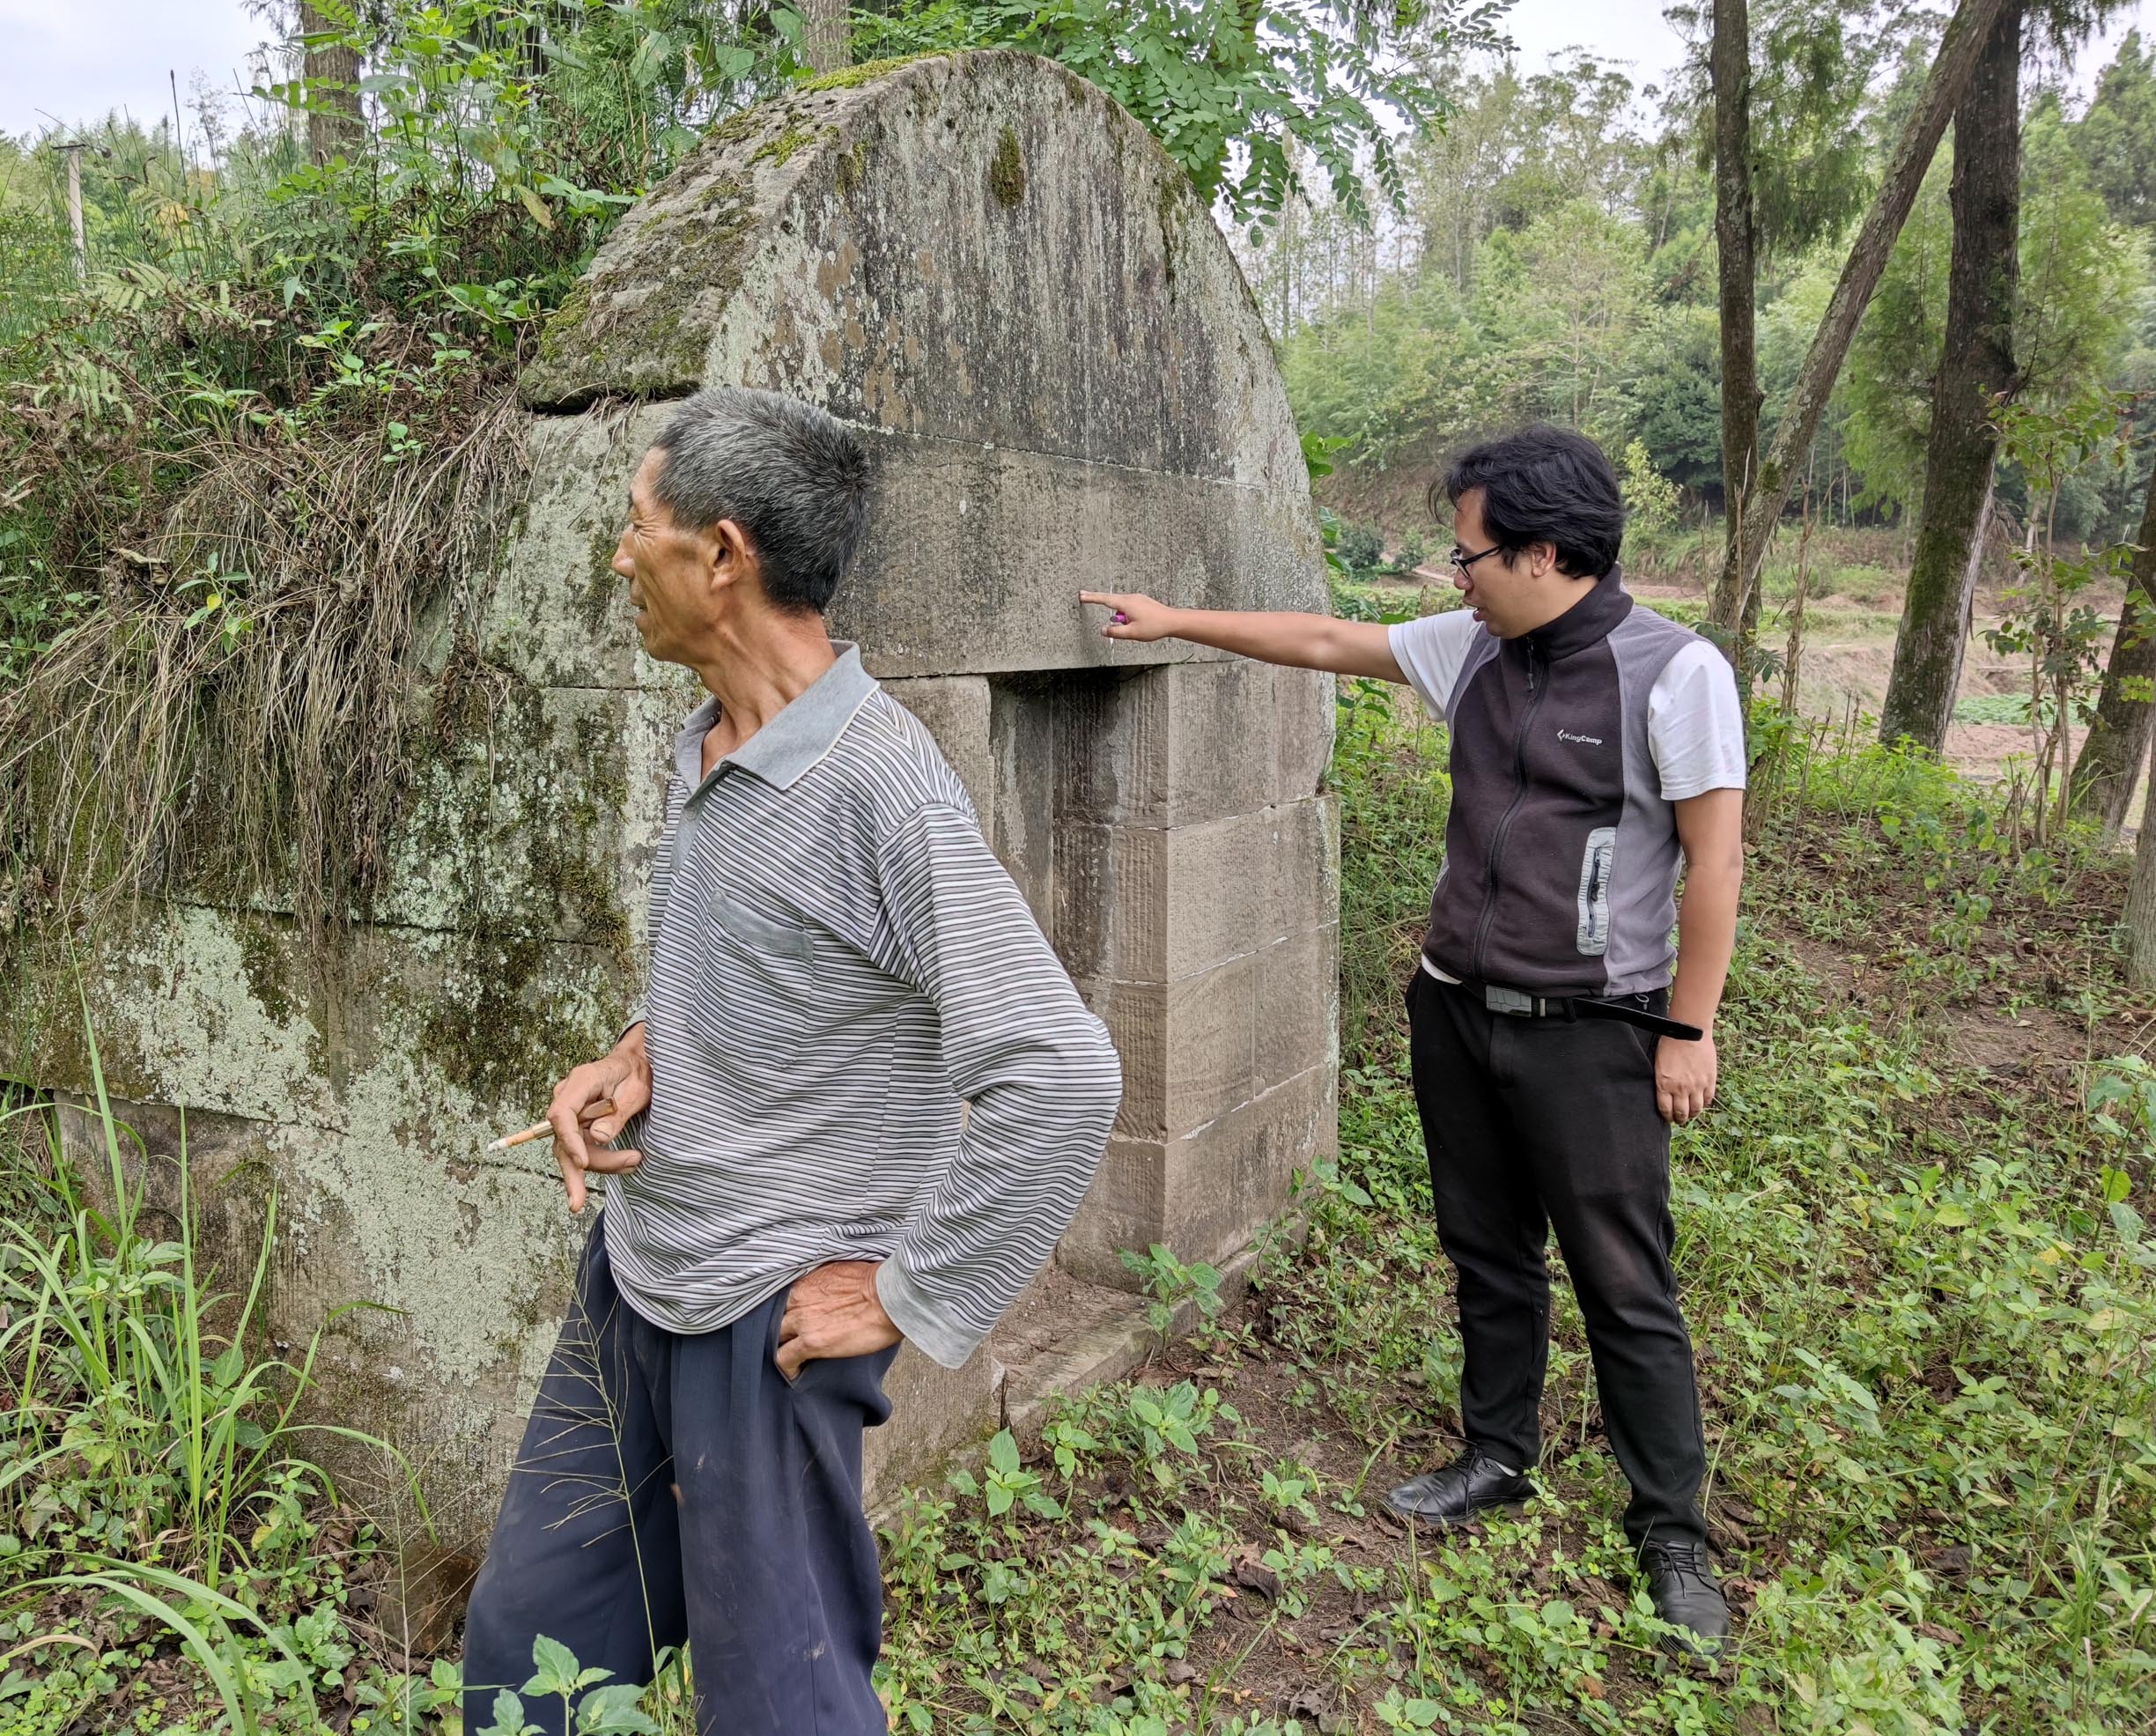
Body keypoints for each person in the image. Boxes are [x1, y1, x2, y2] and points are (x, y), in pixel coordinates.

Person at [461, 388, 1123, 1734]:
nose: (616, 557)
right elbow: (776, 976)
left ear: (721, 555)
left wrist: (904, 1290)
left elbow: (1059, 1074)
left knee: (778, 1710)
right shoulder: (706, 741)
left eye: (633, 528)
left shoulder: (880, 785)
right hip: (639, 1277)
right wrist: (637, 1060)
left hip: (761, 1332)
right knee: (526, 1655)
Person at [1082, 424, 1745, 1658]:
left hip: (1597, 1030)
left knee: (1624, 1284)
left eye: (1472, 553)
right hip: (1454, 1007)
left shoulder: (1674, 673)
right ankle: (1498, 1454)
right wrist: (1176, 617)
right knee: (1487, 1252)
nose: (1457, 576)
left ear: (1545, 555)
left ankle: (1673, 1535)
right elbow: (1329, 642)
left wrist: (1687, 1029)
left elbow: (1715, 860)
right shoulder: (1477, 649)